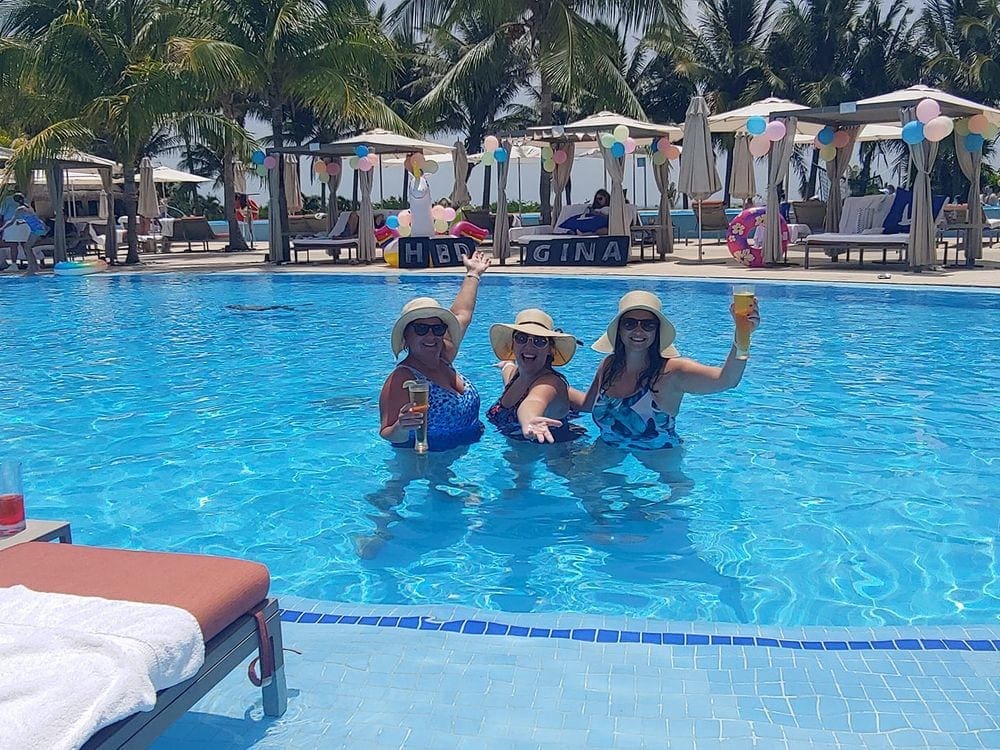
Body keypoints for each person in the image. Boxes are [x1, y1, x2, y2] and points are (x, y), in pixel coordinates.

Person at [577, 290, 760, 450]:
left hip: (659, 456)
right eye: (630, 323)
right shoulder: (609, 366)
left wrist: (742, 335)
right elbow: (587, 405)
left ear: (657, 331)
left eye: (648, 325)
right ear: (619, 329)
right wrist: (551, 383)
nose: (639, 331)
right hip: (610, 449)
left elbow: (727, 380)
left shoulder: (673, 372)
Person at [379, 250, 492, 451]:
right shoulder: (402, 378)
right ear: (407, 336)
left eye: (437, 328)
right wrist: (401, 425)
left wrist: (473, 274)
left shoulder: (443, 354)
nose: (431, 337)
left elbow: (462, 313)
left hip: (468, 454)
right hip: (427, 462)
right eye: (421, 329)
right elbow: (388, 433)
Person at [486, 309, 585, 443]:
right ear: (513, 343)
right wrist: (505, 364)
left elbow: (534, 401)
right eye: (521, 338)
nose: (529, 346)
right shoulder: (517, 374)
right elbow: (508, 372)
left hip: (554, 452)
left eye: (539, 341)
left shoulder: (549, 384)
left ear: (550, 349)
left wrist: (529, 420)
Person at [0, 193, 43, 274]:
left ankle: (31, 268)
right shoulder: (28, 207)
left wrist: (2, 228)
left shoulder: (19, 209)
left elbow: (11, 221)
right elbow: (31, 218)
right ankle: (35, 266)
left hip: (36, 229)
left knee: (27, 247)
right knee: (27, 246)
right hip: (38, 228)